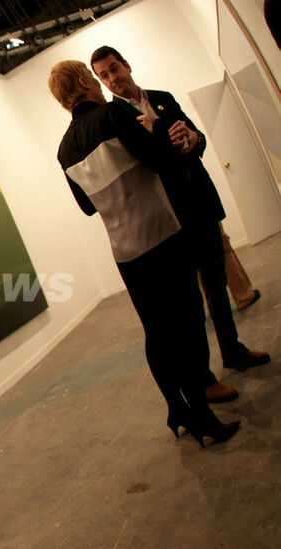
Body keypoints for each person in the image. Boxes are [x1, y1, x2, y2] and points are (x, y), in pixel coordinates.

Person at [49, 60, 240, 447]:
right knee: (185, 327)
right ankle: (204, 419)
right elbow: (161, 160)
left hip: (125, 252)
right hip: (162, 235)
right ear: (84, 82)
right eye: (95, 77)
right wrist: (154, 131)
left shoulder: (64, 149)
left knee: (157, 332)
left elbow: (87, 206)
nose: (102, 83)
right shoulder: (113, 113)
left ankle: (177, 410)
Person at [90, 46, 270, 404]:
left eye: (114, 68)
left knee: (217, 283)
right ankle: (204, 379)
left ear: (127, 65)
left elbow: (194, 135)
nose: (113, 79)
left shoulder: (162, 97)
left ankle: (232, 350)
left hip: (200, 202)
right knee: (189, 306)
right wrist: (162, 135)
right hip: (170, 219)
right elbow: (149, 163)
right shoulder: (116, 117)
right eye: (104, 76)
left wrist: (193, 141)